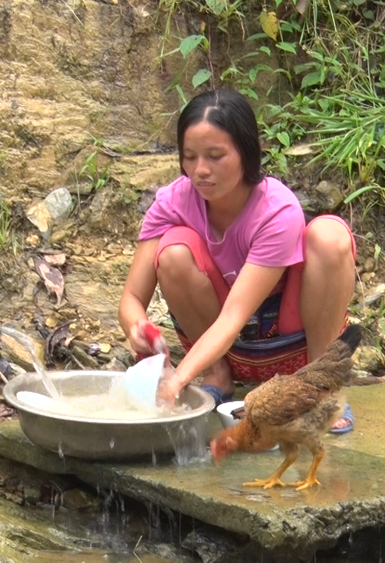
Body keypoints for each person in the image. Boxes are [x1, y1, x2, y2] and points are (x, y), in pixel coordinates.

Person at [118, 88, 358, 433]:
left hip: (289, 345)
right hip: (229, 352)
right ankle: (218, 375)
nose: (200, 170)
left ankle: (321, 385)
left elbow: (234, 317)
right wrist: (137, 327)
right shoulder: (174, 201)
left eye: (215, 156)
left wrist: (178, 379)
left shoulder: (276, 210)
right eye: (190, 156)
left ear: (247, 154)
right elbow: (130, 299)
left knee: (329, 236)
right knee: (172, 251)